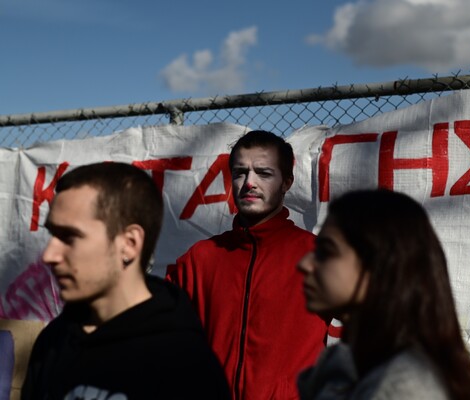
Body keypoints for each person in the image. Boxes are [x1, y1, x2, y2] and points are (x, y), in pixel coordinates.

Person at [22, 162, 230, 400]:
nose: (50, 255)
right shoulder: (54, 341)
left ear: (129, 244)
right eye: (53, 235)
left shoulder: (186, 366)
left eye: (70, 237)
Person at [167, 130, 329, 400]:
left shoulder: (319, 257)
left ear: (286, 182)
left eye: (263, 173)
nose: (249, 183)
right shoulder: (200, 258)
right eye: (240, 172)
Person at [296, 189, 470, 400]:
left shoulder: (403, 386)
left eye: (326, 252)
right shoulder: (350, 366)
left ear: (379, 267)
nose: (305, 264)